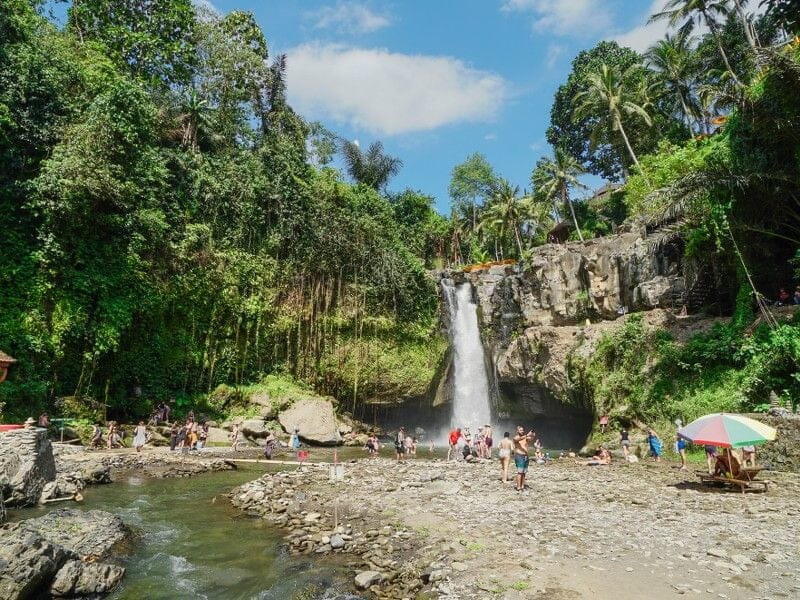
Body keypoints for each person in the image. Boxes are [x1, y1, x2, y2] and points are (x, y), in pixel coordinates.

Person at [512, 426, 535, 491]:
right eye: (520, 430)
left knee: (524, 472)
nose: (522, 431)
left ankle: (522, 486)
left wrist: (533, 435)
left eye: (523, 430)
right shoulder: (515, 438)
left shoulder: (525, 438)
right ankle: (518, 487)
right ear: (517, 431)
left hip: (526, 456)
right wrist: (527, 435)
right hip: (519, 456)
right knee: (520, 472)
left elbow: (530, 439)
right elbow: (517, 440)